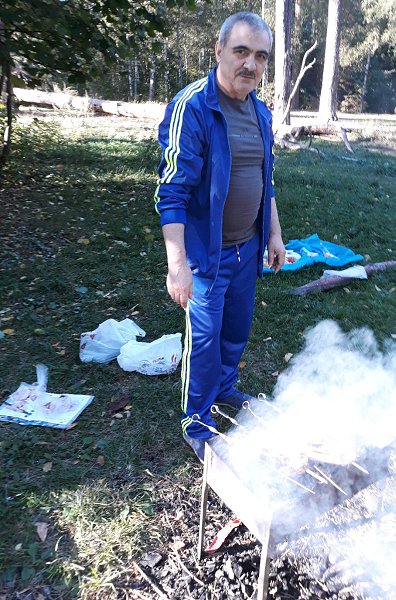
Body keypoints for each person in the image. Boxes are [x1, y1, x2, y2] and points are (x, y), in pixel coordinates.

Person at [154, 11, 285, 462]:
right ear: (219, 51)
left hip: (247, 248)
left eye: (261, 56)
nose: (251, 64)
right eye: (241, 51)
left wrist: (273, 235)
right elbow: (171, 192)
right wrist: (177, 265)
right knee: (205, 341)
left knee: (235, 330)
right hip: (205, 255)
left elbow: (266, 179)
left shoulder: (261, 112)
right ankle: (195, 420)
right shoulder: (193, 107)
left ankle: (225, 389)